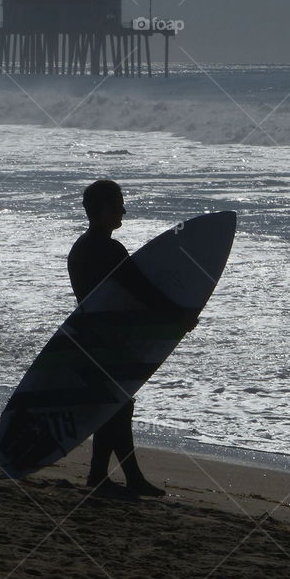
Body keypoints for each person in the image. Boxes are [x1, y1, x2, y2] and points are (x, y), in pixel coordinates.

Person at [67, 179, 196, 499]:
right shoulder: (110, 250)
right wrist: (179, 317)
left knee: (114, 406)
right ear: (106, 209)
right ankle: (119, 477)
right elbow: (143, 292)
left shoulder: (79, 249)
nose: (124, 209)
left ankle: (105, 476)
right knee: (117, 405)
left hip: (88, 340)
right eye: (119, 203)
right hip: (109, 342)